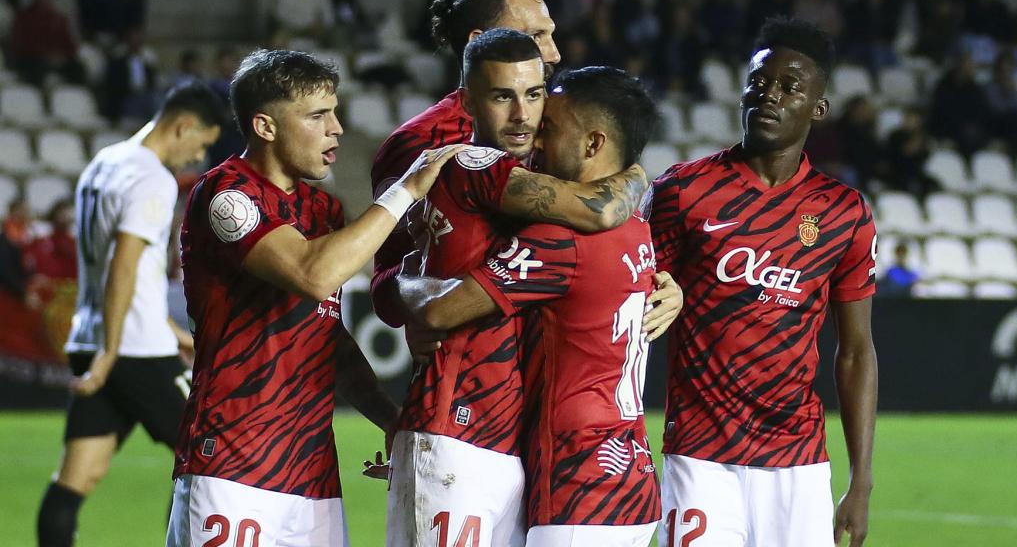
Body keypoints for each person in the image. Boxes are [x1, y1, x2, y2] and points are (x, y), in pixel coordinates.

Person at [165, 49, 462, 547]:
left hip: (312, 475)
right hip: (234, 466)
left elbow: (327, 339)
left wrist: (392, 421)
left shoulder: (322, 208)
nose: (337, 128)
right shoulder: (226, 195)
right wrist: (404, 192)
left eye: (335, 112)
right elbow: (312, 274)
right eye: (318, 115)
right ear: (265, 126)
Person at [379, 28, 649, 547]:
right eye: (503, 96)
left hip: (507, 438)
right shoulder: (472, 164)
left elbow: (396, 284)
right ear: (467, 102)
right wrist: (635, 170)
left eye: (534, 94)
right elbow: (599, 209)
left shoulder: (528, 181)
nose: (523, 115)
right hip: (455, 427)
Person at [649, 17, 878, 547]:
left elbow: (856, 351)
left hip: (797, 463)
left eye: (790, 87)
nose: (768, 95)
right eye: (759, 82)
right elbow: (631, 300)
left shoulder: (843, 213)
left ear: (818, 108)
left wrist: (860, 481)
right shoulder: (684, 191)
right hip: (699, 456)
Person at [36, 82, 224, 547]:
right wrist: (115, 351)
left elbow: (118, 277)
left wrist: (172, 334)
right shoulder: (152, 178)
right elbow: (123, 264)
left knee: (76, 478)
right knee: (208, 455)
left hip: (92, 339)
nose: (197, 158)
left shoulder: (104, 163)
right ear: (183, 127)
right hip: (131, 350)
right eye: (200, 144)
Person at [370, 0, 561, 329]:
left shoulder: (557, 122)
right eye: (536, 36)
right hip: (474, 367)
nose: (554, 52)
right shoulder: (419, 143)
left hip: (549, 363)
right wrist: (424, 309)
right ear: (482, 40)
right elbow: (386, 285)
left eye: (550, 34)